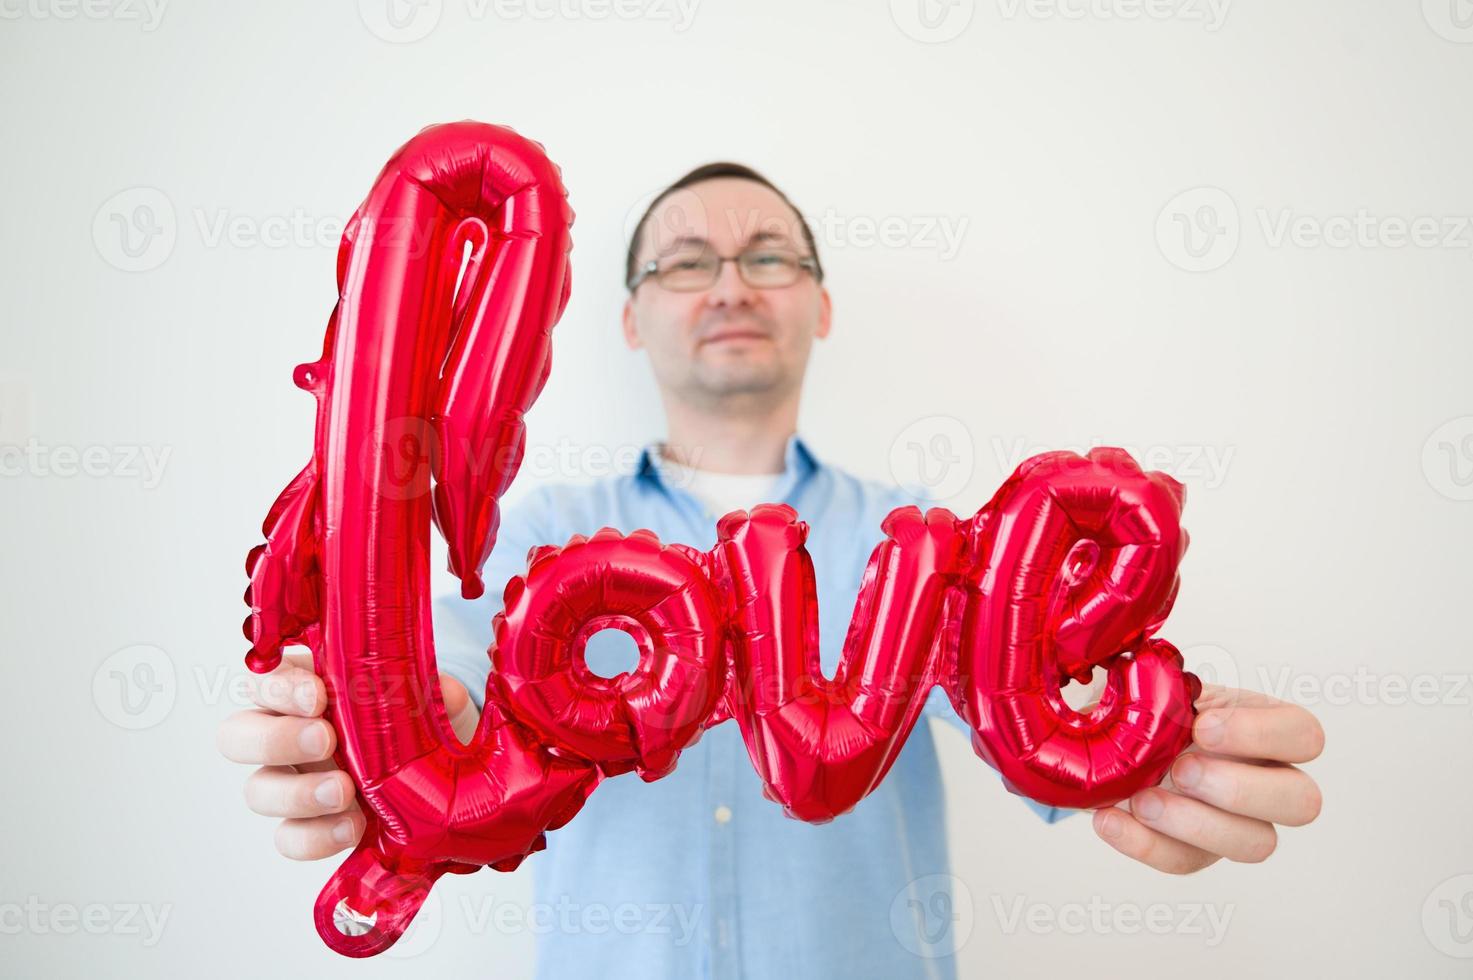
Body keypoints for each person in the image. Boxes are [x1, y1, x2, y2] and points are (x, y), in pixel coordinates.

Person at [217, 162, 1325, 979]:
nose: (729, 285)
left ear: (821, 304)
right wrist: (348, 736)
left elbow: (1038, 724)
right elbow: (436, 677)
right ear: (630, 316)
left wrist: (1156, 758)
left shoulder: (931, 540)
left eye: (770, 257)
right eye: (686, 262)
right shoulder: (513, 539)